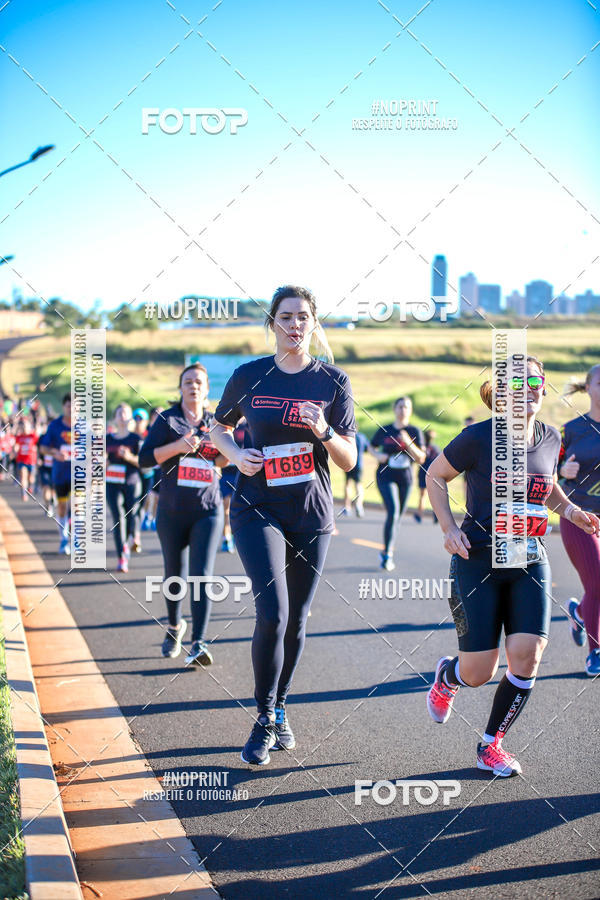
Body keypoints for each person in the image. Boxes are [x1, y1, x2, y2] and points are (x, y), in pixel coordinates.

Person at [425, 357, 599, 776]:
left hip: (530, 558)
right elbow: (435, 476)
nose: (531, 389)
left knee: (527, 655)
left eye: (537, 380)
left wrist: (571, 510)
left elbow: (548, 485)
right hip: (478, 559)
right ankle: (448, 677)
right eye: (519, 382)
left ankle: (491, 744)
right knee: (478, 672)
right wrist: (449, 528)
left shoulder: (551, 437)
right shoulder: (477, 437)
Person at [211, 284, 357, 766]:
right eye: (286, 316)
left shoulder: (332, 381)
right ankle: (263, 716)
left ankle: (283, 708)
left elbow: (351, 459)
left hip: (311, 512)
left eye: (303, 317)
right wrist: (235, 455)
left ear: (314, 324)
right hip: (257, 506)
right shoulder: (249, 375)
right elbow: (218, 427)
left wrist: (325, 431)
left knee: (297, 618)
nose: (295, 324)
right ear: (271, 323)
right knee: (271, 611)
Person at [139, 367, 226, 664]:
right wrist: (178, 446)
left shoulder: (216, 421)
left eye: (198, 382)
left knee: (202, 576)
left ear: (206, 388)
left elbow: (226, 459)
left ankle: (198, 643)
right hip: (172, 510)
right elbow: (143, 459)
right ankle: (174, 626)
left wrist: (226, 453)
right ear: (180, 388)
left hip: (208, 509)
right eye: (187, 382)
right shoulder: (167, 419)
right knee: (174, 574)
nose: (193, 386)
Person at [559, 364, 600, 676]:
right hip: (579, 516)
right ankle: (595, 651)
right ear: (588, 388)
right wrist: (562, 472)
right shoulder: (573, 429)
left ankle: (580, 613)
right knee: (598, 582)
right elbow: (546, 471)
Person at [369, 398, 426, 570]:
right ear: (395, 409)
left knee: (398, 517)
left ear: (411, 410)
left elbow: (421, 458)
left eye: (406, 407)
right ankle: (387, 554)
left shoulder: (414, 430)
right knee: (393, 512)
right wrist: (377, 455)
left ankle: (387, 549)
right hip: (385, 475)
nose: (403, 410)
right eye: (400, 406)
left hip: (405, 478)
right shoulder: (385, 429)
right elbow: (371, 447)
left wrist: (408, 442)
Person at [106, 403, 143, 573]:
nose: (122, 415)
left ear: (130, 418)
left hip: (131, 482)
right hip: (112, 482)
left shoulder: (136, 439)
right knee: (117, 517)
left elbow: (143, 463)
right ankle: (121, 555)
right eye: (119, 412)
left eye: (126, 413)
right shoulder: (108, 439)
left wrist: (128, 457)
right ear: (114, 418)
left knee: (131, 516)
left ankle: (130, 539)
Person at [40, 394, 72, 554]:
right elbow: (43, 448)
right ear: (64, 407)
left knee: (79, 506)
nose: (72, 409)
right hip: (60, 474)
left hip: (80, 476)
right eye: (69, 406)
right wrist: (56, 453)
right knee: (62, 508)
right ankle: (63, 539)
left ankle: (77, 541)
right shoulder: (55, 426)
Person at [219, 418, 249, 552]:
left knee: (242, 508)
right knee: (226, 508)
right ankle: (227, 538)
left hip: (243, 472)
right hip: (226, 473)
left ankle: (238, 535)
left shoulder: (250, 423)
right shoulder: (226, 422)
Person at [131, 407, 151, 551]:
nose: (138, 422)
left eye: (141, 419)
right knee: (133, 507)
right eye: (136, 418)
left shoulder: (150, 435)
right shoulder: (130, 436)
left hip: (147, 475)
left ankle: (134, 534)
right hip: (132, 476)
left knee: (141, 506)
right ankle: (134, 536)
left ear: (146, 421)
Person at [415, 428, 441, 523]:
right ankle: (436, 514)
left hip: (422, 473)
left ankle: (419, 515)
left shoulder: (421, 448)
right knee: (434, 495)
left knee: (422, 495)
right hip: (433, 473)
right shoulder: (436, 448)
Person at [342, 431, 368, 517]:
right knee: (358, 485)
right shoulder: (362, 437)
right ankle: (359, 505)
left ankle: (347, 506)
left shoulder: (346, 436)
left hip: (348, 462)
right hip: (359, 464)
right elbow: (367, 448)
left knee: (347, 484)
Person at [13, 418, 38, 502]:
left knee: (31, 478)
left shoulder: (33, 436)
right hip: (21, 460)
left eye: (25, 426)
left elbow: (38, 444)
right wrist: (15, 450)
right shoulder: (19, 437)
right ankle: (24, 493)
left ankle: (30, 486)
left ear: (29, 427)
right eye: (23, 426)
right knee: (23, 477)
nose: (24, 427)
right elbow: (16, 445)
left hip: (31, 460)